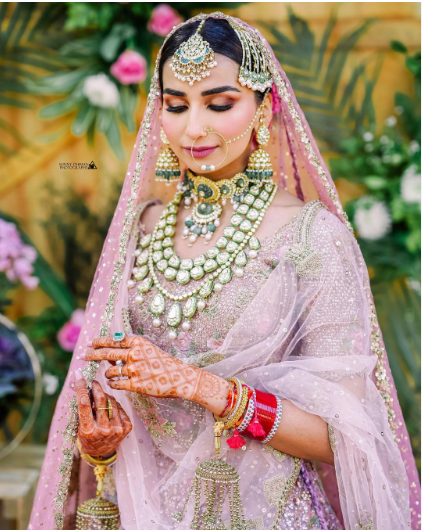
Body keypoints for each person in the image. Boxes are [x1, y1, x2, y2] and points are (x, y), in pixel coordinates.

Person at [29, 12, 420, 531]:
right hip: (143, 510)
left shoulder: (311, 238)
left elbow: (343, 438)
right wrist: (98, 441)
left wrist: (202, 386)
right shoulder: (140, 229)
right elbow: (109, 391)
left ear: (263, 106)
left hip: (268, 514)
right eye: (175, 105)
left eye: (219, 103)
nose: (193, 128)